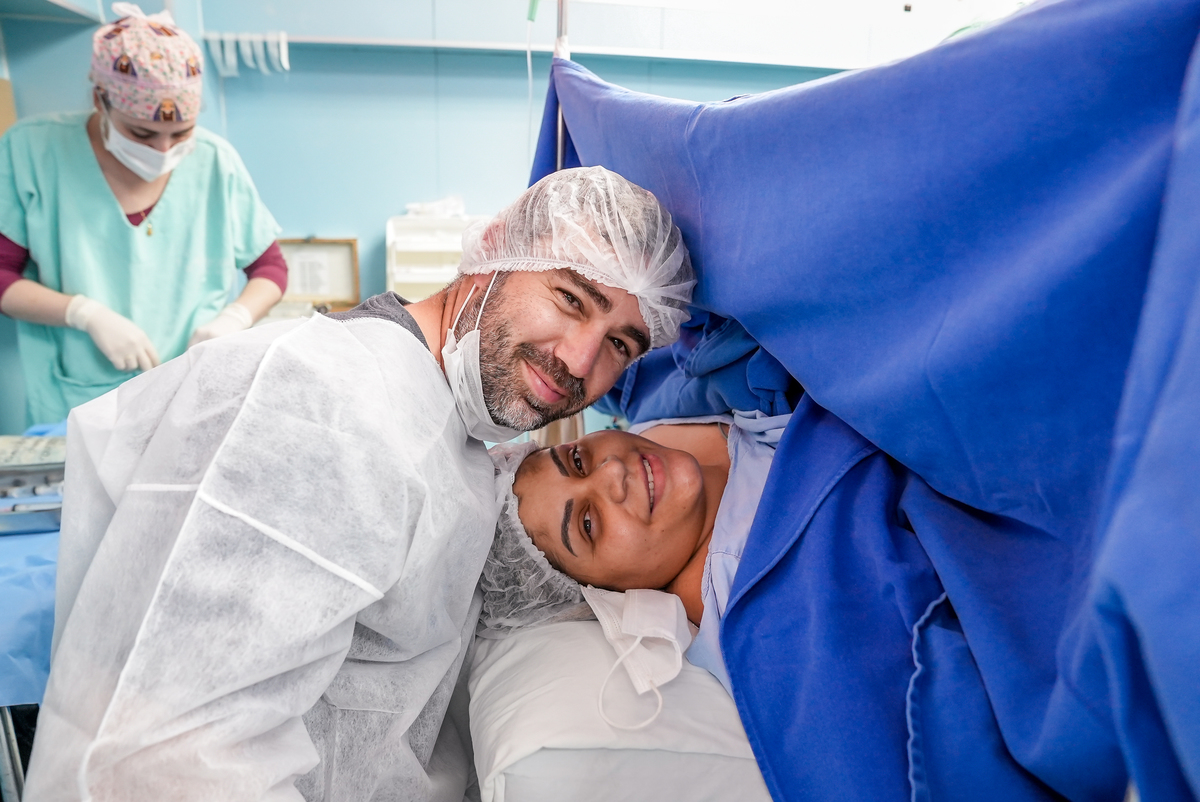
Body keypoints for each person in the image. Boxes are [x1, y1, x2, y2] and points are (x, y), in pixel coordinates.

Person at [22, 165, 694, 802]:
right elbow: (156, 764)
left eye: (620, 344)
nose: (579, 359)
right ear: (492, 248)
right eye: (570, 298)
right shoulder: (325, 408)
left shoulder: (445, 428)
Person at [0, 3, 287, 428]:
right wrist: (83, 313)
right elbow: (2, 275)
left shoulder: (214, 161)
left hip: (191, 390)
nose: (164, 150)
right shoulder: (33, 152)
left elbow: (270, 268)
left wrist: (235, 318)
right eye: (142, 133)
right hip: (80, 399)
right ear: (100, 100)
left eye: (181, 132)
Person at [478, 408, 787, 694]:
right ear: (602, 593)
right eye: (587, 524)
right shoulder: (761, 601)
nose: (612, 470)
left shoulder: (654, 424)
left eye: (576, 461)